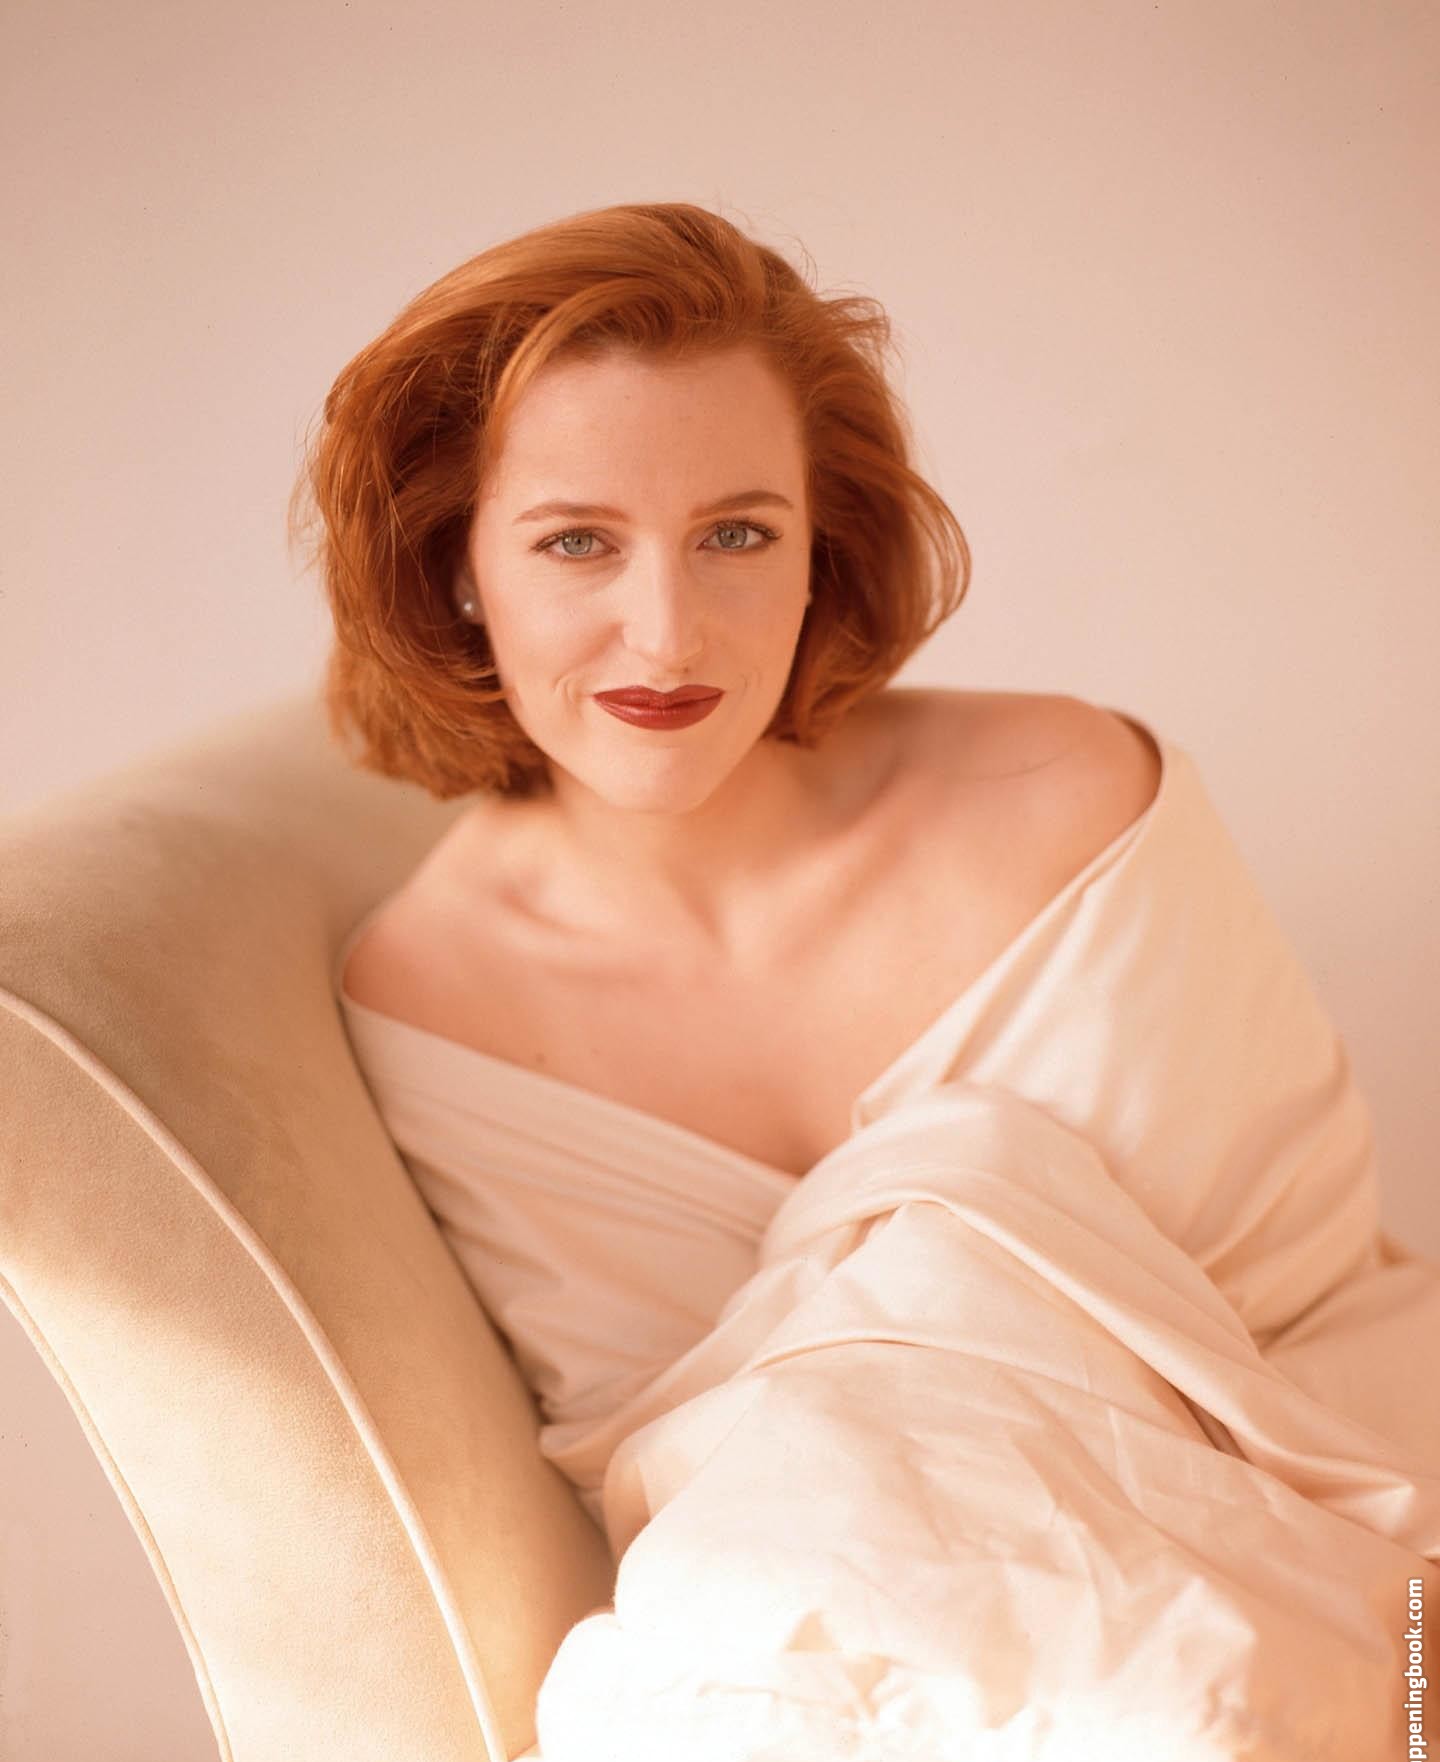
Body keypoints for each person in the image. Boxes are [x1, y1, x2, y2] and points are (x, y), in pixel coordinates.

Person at [291, 199, 1161, 1181]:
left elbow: (1290, 1250)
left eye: (736, 535)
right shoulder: (433, 1001)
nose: (668, 638)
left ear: (821, 550)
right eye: (576, 542)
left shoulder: (1072, 806)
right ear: (458, 569)